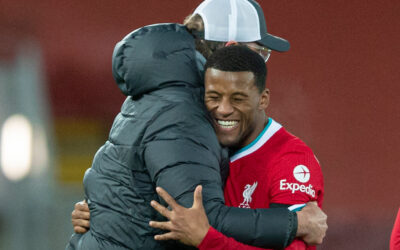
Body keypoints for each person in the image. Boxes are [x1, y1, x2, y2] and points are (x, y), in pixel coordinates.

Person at [67, 1, 327, 249]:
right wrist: (295, 223)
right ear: (232, 47)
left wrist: (108, 212)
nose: (261, 65)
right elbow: (204, 219)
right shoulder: (184, 111)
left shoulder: (167, 89)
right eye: (259, 53)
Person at [148, 45, 325, 250]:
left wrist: (205, 240)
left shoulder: (291, 160)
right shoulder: (198, 151)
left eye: (238, 99)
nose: (223, 110)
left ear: (263, 99)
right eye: (214, 97)